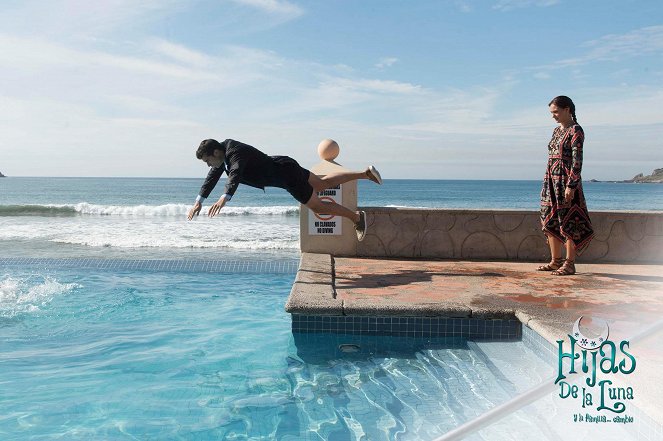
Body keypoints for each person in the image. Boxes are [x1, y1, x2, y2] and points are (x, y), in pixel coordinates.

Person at [186, 139, 383, 241]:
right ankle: (365, 173)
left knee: (319, 208)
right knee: (322, 184)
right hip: (286, 165)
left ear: (215, 152)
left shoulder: (234, 152)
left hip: (286, 176)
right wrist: (199, 202)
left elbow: (235, 173)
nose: (208, 165)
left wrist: (225, 197)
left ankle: (357, 219)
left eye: (207, 160)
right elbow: (212, 177)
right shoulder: (224, 153)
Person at [537, 96, 594, 275]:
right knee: (549, 218)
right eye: (551, 112)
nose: (553, 116)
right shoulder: (556, 131)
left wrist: (572, 184)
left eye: (556, 112)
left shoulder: (576, 130)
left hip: (566, 181)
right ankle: (555, 261)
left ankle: (569, 263)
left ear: (567, 109)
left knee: (569, 220)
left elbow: (577, 160)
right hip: (551, 181)